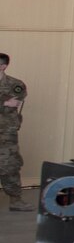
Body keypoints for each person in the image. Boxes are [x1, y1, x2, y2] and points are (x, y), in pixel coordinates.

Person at [0, 53, 23, 211]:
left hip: (6, 133)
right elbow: (7, 103)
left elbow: (15, 102)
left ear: (3, 66)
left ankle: (16, 200)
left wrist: (7, 103)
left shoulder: (15, 84)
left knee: (9, 166)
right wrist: (3, 102)